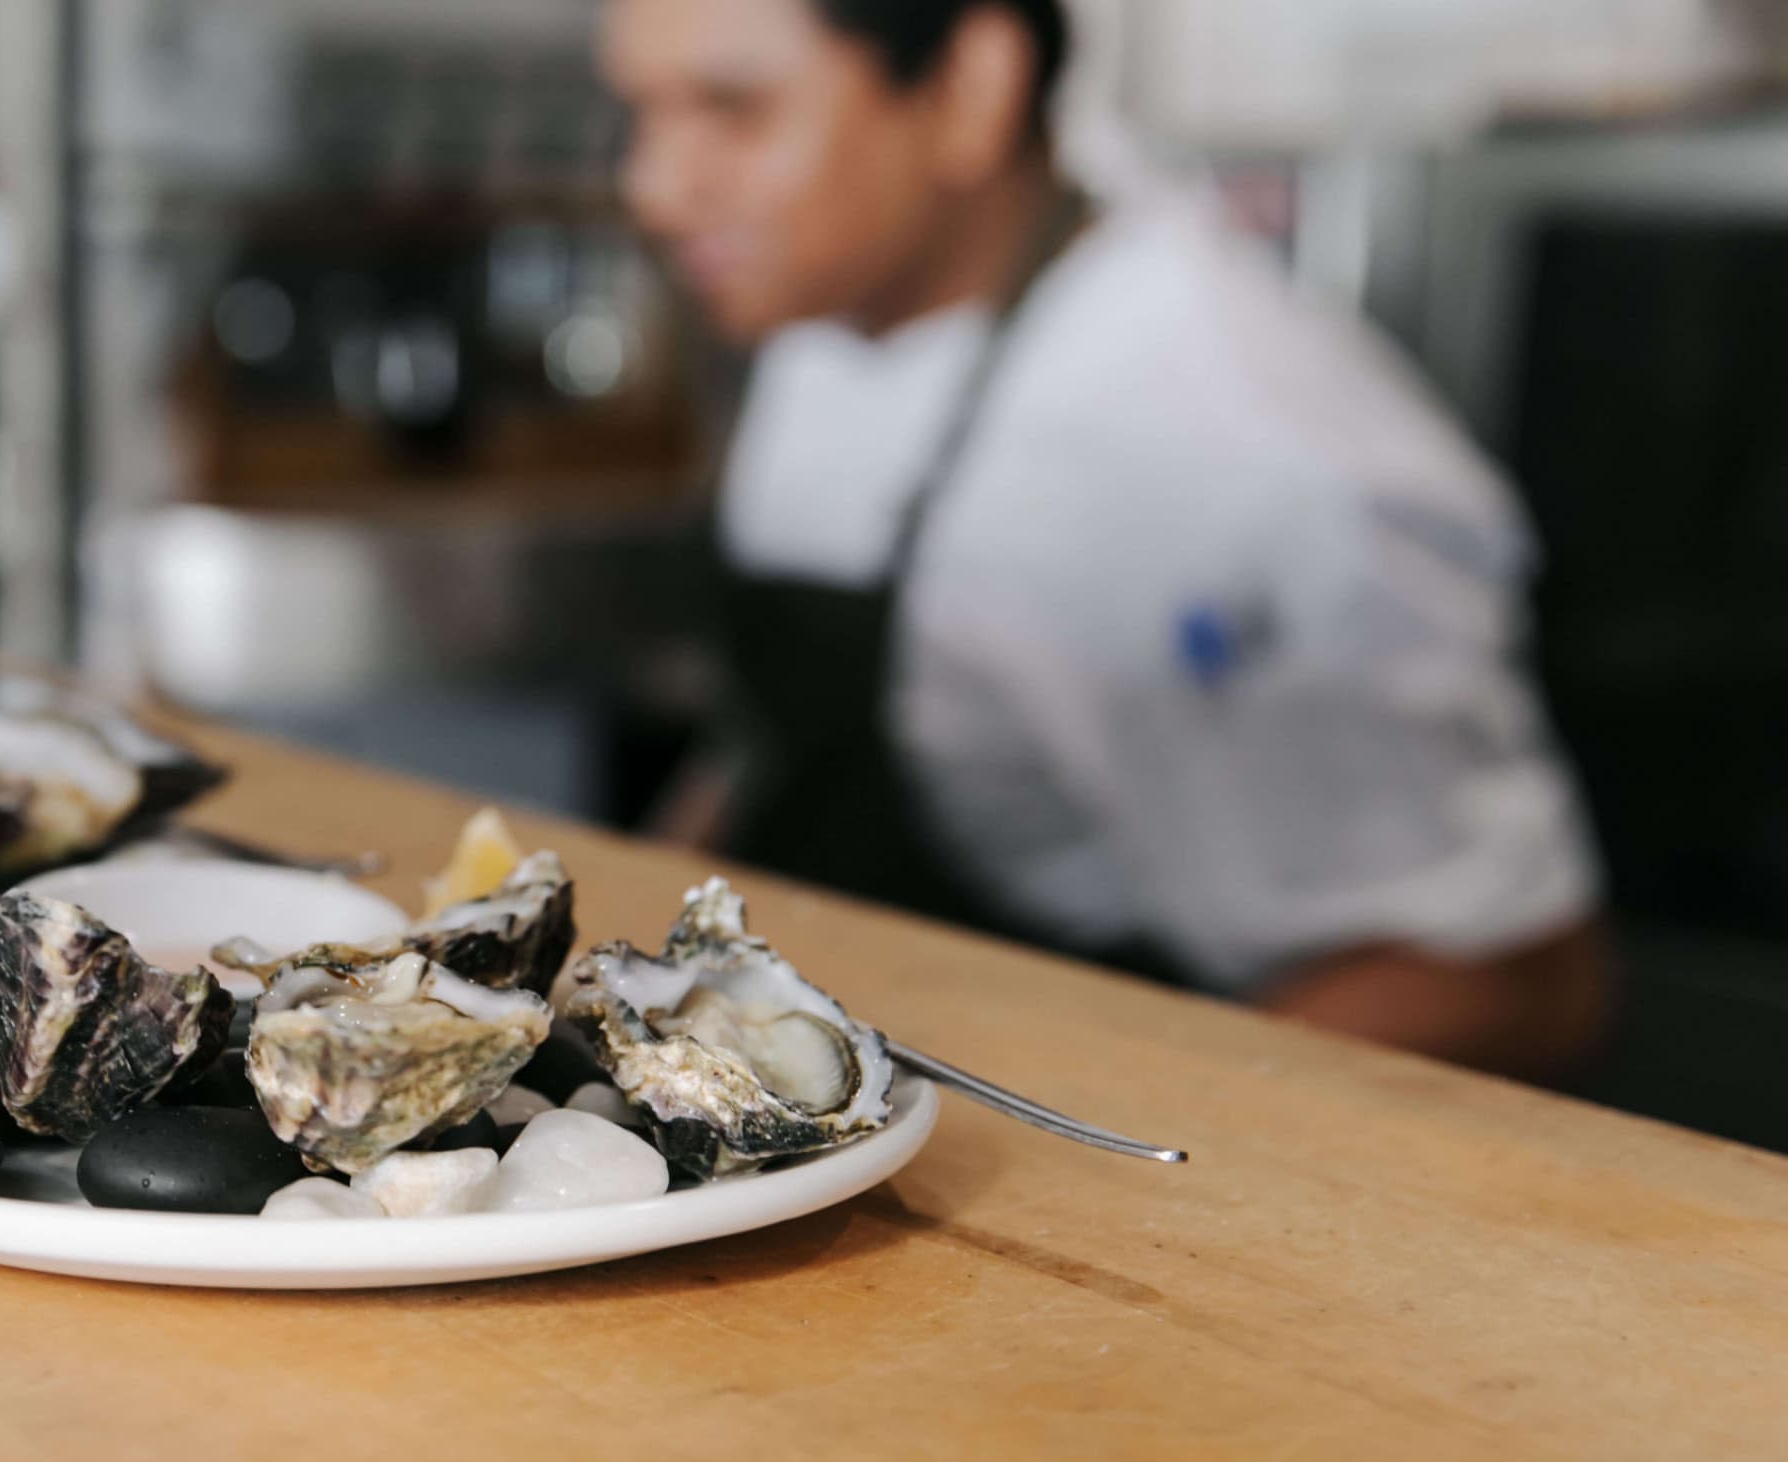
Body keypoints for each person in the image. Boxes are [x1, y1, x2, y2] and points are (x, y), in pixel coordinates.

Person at [601, 0, 1612, 1080]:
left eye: (735, 110)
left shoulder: (1237, 456)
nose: (651, 189)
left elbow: (1516, 981)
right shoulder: (832, 292)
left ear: (972, 88)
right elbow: (775, 737)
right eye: (640, 114)